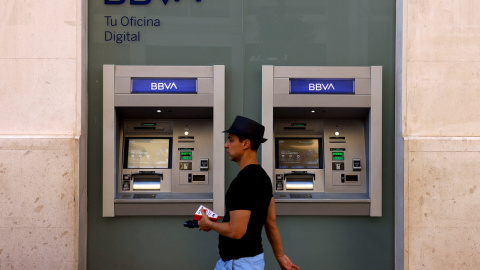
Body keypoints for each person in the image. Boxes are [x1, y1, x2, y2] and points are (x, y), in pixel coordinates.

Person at [198, 115, 299, 270]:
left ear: (245, 144)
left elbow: (236, 231)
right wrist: (280, 256)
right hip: (252, 261)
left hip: (238, 264)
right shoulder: (263, 177)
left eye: (230, 139)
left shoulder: (243, 182)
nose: (226, 145)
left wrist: (209, 224)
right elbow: (270, 222)